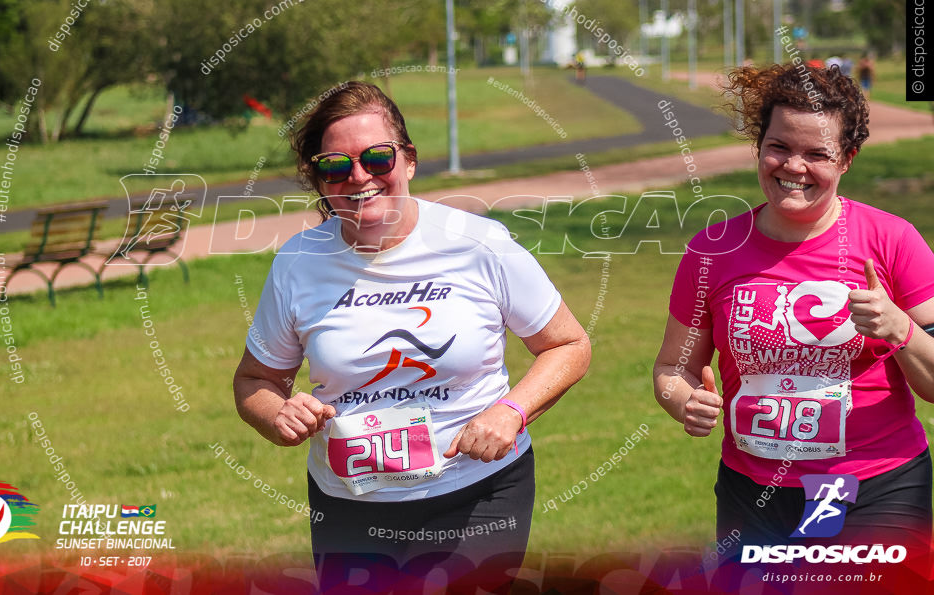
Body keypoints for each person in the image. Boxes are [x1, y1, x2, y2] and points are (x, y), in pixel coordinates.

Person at [233, 81, 590, 591]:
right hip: (347, 504)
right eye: (335, 166)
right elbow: (253, 381)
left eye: (377, 159)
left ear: (409, 161)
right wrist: (277, 413)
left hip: (475, 490)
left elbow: (569, 344)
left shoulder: (479, 244)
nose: (359, 178)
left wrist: (511, 411)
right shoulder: (298, 261)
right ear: (319, 179)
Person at [652, 63, 934, 563]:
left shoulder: (892, 241)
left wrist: (899, 328)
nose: (793, 166)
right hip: (753, 492)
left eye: (817, 154)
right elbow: (673, 367)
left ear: (847, 159)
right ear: (759, 147)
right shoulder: (712, 249)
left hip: (875, 485)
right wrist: (684, 400)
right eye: (779, 146)